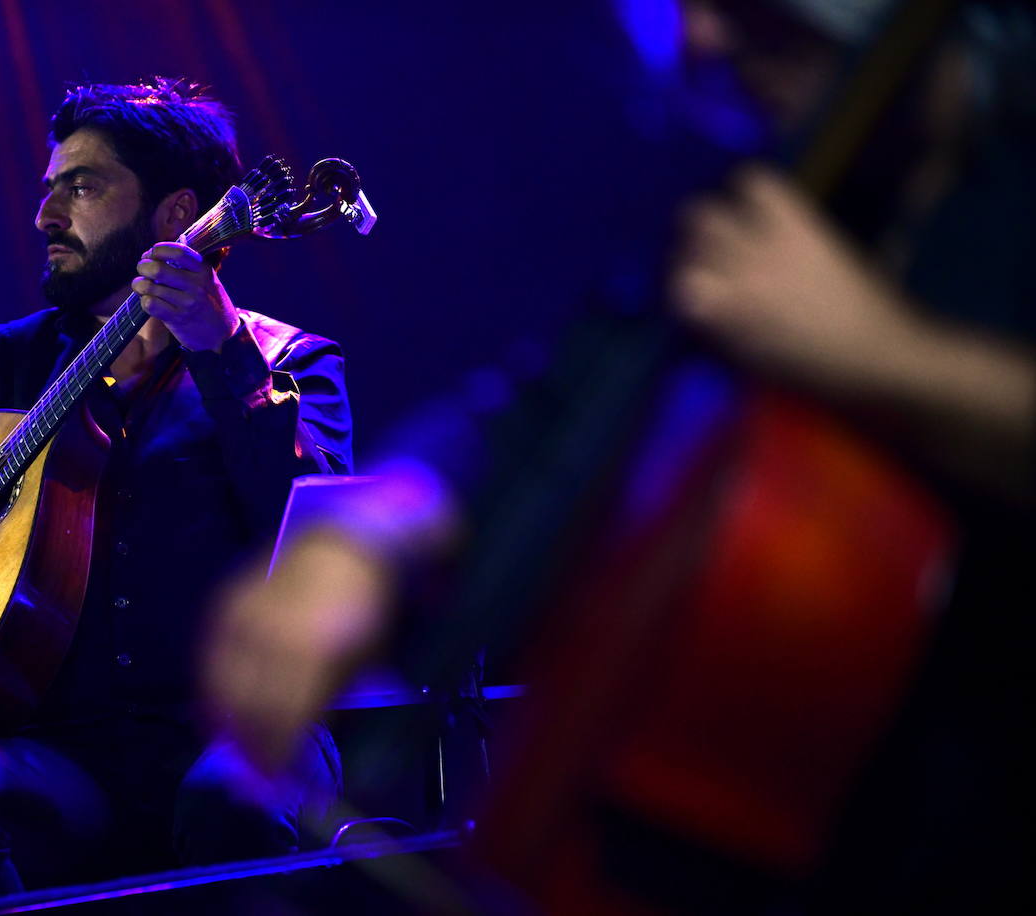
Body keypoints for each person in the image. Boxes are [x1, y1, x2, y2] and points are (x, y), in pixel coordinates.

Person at [204, 1, 1035, 911]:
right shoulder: (780, 181)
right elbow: (550, 403)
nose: (703, 35)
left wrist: (886, 356)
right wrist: (365, 536)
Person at [0, 77, 352, 896]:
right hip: (48, 740)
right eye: (49, 188)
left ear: (176, 214)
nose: (45, 216)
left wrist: (224, 352)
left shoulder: (287, 362)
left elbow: (315, 536)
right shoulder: (2, 364)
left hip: (230, 733)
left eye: (82, 187)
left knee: (227, 805)